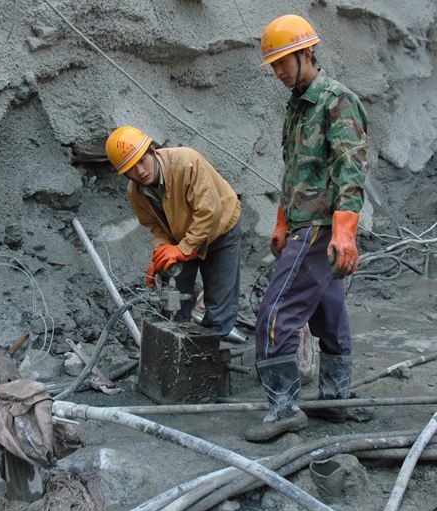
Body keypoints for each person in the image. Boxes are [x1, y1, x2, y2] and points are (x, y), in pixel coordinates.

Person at [245, 14, 368, 442]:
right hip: (302, 222)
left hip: (320, 228)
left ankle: (283, 409)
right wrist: (281, 219)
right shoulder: (297, 106)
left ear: (306, 52)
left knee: (276, 315)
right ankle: (334, 399)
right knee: (327, 313)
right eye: (273, 64)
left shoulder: (336, 100)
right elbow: (294, 171)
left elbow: (350, 167)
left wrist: (345, 230)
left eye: (284, 61)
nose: (278, 71)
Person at [105, 126, 245, 342]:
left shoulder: (186, 162)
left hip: (220, 228)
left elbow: (210, 211)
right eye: (131, 169)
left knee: (219, 301)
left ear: (152, 150)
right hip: (182, 237)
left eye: (142, 161)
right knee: (175, 297)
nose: (140, 171)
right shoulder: (136, 192)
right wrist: (161, 251)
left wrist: (184, 249)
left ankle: (212, 352)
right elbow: (155, 225)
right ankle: (181, 344)